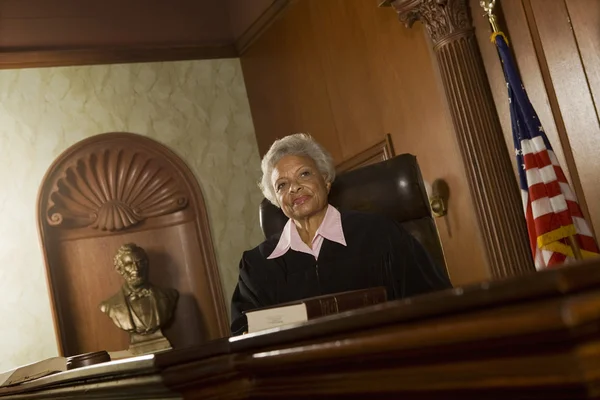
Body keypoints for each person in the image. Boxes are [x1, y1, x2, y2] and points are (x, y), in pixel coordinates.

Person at [230, 134, 451, 335]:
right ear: (276, 200)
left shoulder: (380, 234)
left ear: (326, 181)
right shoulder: (256, 266)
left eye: (304, 174)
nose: (294, 188)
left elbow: (435, 303)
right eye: (281, 185)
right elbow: (245, 337)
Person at [100, 243, 179, 336]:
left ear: (146, 265)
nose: (136, 269)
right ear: (120, 269)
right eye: (129, 264)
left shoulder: (169, 296)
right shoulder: (109, 306)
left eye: (140, 262)